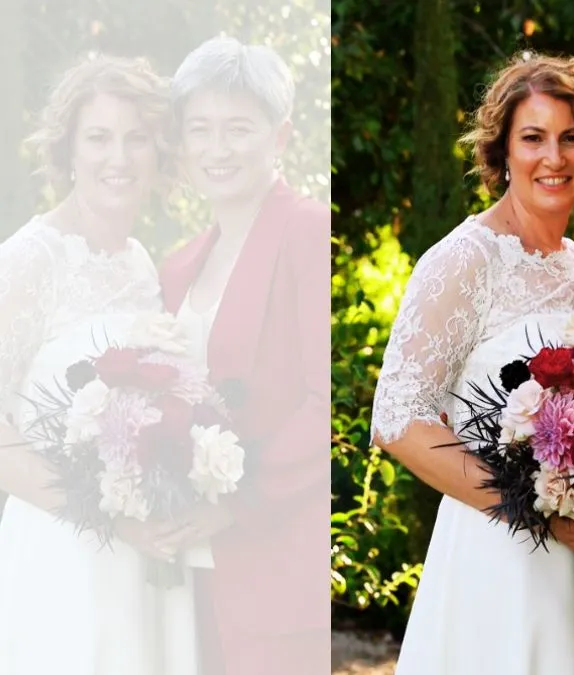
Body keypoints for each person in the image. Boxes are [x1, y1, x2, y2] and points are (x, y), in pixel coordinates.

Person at [370, 53, 574, 674]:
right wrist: (534, 510)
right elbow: (397, 421)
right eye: (533, 138)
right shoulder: (464, 259)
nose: (554, 157)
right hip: (498, 554)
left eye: (572, 139)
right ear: (503, 152)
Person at [0, 54, 202, 674]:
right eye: (99, 138)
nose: (119, 157)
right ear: (68, 149)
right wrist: (109, 517)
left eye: (135, 138)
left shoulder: (144, 264)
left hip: (148, 555)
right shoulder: (29, 261)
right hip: (64, 551)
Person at [155, 36, 331, 674]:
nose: (216, 148)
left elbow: (327, 404)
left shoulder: (310, 233)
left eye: (237, 128)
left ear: (279, 136)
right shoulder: (178, 267)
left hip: (274, 565)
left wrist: (233, 503)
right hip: (185, 568)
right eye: (199, 129)